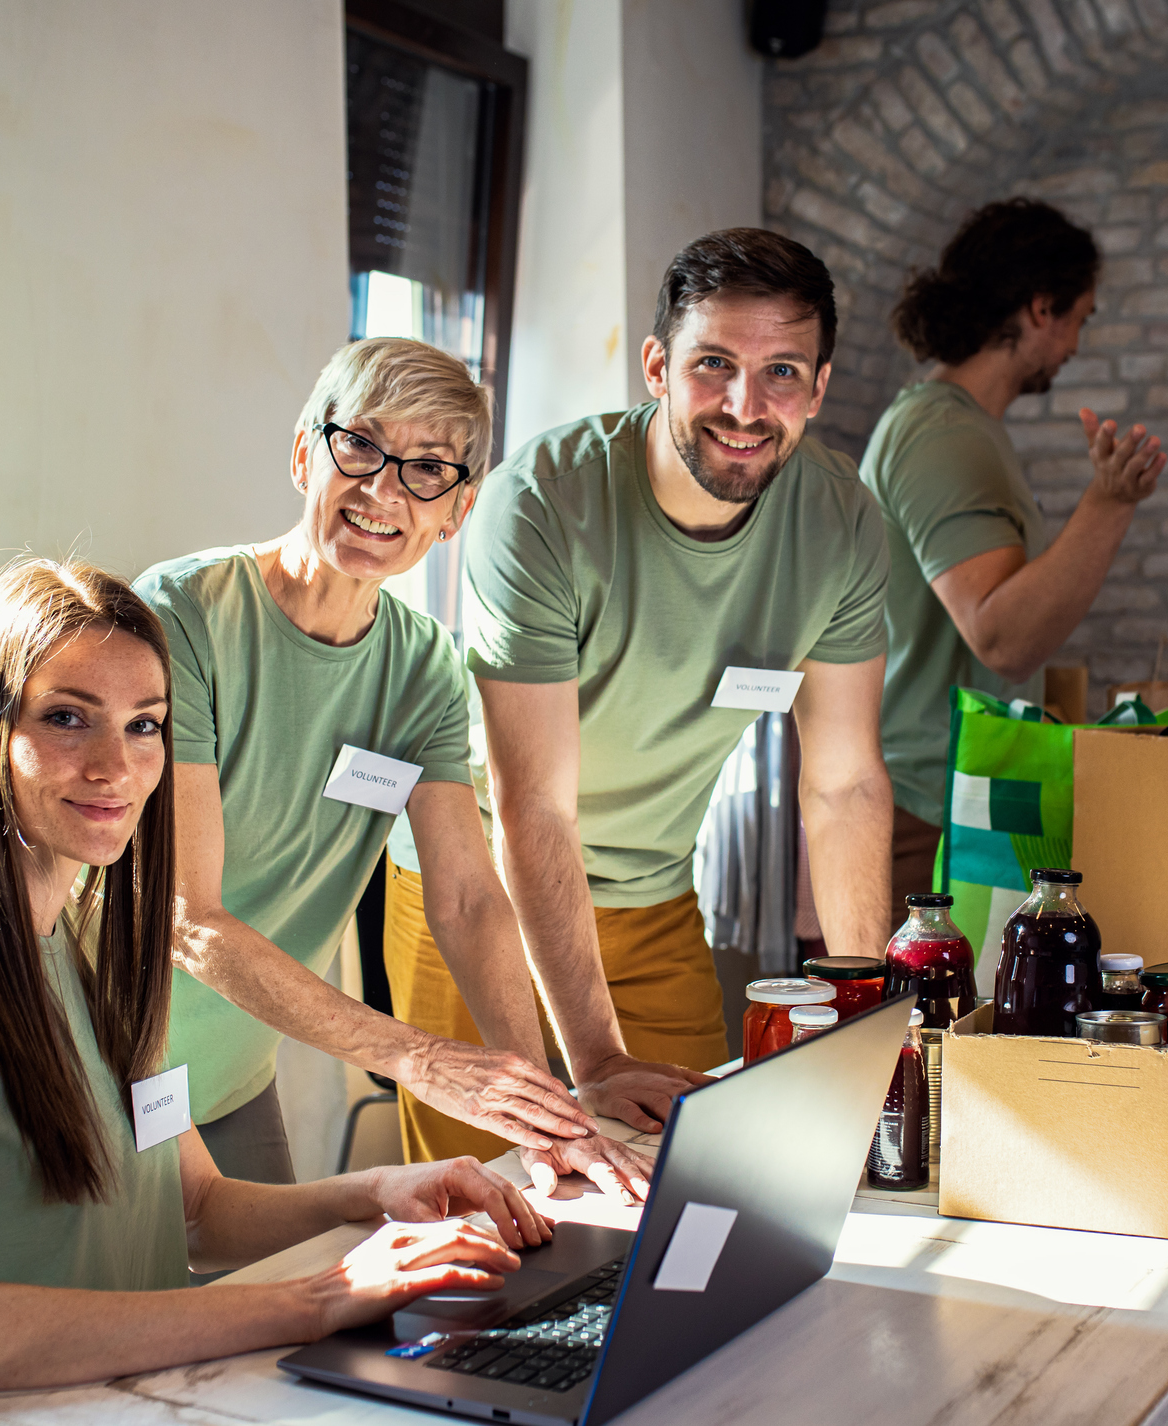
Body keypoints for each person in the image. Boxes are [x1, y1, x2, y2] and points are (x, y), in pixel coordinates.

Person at [0, 558, 547, 1425]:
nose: (116, 765)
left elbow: (193, 1210)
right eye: (67, 718)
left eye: (145, 725)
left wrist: (376, 1193)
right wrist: (317, 1298)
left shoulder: (98, 939)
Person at [383, 228, 896, 1167]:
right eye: (714, 365)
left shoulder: (842, 523)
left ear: (819, 389)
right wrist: (597, 1059)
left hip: (653, 896)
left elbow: (845, 786)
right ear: (656, 366)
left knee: (698, 1181)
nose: (745, 406)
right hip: (477, 893)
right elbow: (533, 806)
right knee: (498, 1215)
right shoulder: (542, 502)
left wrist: (861, 1015)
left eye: (782, 371)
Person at [137, 339, 651, 1201]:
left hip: (230, 1077)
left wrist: (538, 1111)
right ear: (306, 453)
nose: (383, 491)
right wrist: (419, 1059)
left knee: (265, 1318)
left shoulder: (423, 667)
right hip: (104, 1058)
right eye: (361, 448)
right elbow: (189, 917)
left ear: (456, 511)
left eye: (427, 470)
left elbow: (466, 897)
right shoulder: (183, 612)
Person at [860, 197, 1168, 900]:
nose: (1076, 346)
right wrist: (1108, 503)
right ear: (1039, 308)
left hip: (957, 795)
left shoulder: (960, 428)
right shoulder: (940, 433)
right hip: (926, 808)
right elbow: (1002, 636)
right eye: (1078, 320)